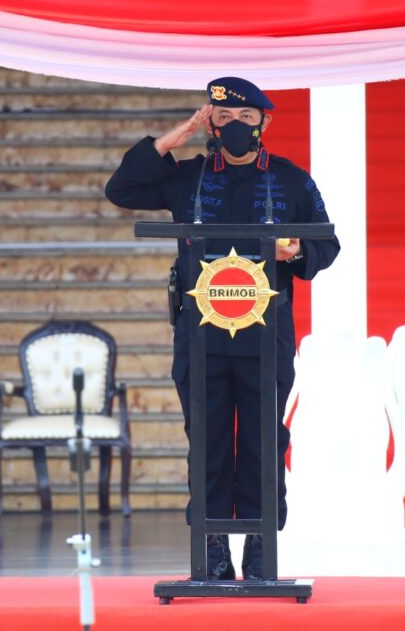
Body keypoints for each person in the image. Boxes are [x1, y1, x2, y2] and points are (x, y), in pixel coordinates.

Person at [105, 76, 340, 580]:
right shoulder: (187, 177)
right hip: (202, 339)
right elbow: (120, 188)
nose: (235, 127)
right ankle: (210, 553)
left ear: (264, 123)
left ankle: (260, 553)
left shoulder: (291, 180)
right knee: (207, 444)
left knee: (263, 445)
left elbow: (327, 243)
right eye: (224, 118)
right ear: (210, 121)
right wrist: (177, 136)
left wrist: (295, 250)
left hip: (264, 339)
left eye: (246, 119)